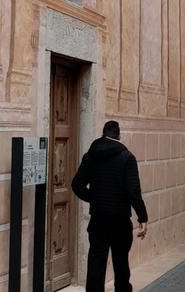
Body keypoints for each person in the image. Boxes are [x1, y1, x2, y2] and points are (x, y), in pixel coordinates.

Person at [71, 120, 148, 292]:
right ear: (119, 135)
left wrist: (94, 198)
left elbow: (76, 184)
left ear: (103, 134)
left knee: (96, 262)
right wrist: (142, 217)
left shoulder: (91, 156)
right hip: (120, 218)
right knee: (121, 262)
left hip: (98, 218)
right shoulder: (127, 157)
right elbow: (133, 191)